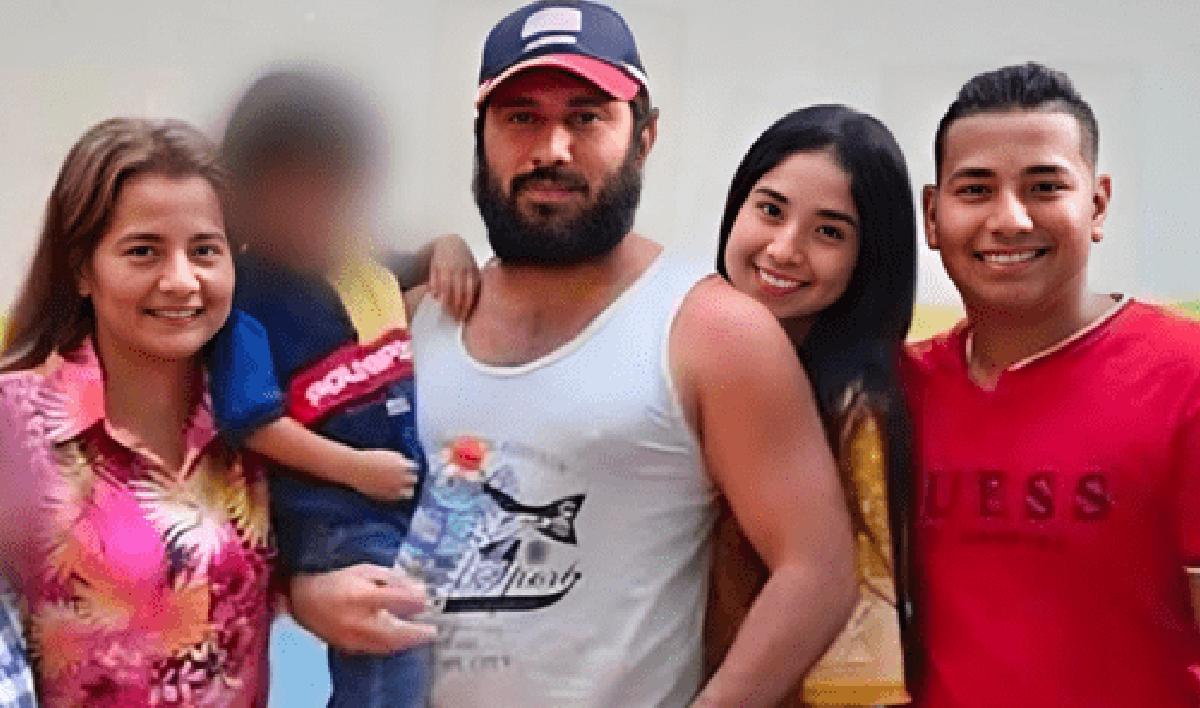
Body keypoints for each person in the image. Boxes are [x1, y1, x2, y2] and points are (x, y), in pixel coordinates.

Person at [292, 1, 857, 706]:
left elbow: (817, 571)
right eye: (521, 117)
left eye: (586, 118)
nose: (552, 149)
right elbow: (302, 511)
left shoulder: (712, 332)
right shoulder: (409, 323)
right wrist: (305, 594)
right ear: (481, 136)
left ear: (645, 138)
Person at [903, 62, 1200, 707]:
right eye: (976, 190)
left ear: (1097, 204)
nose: (1010, 219)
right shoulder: (900, 391)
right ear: (932, 215)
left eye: (1044, 187)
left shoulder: (1186, 378)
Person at [207, 68, 479, 707]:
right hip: (332, 512)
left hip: (396, 496)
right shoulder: (245, 296)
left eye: (329, 187)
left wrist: (450, 246)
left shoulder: (359, 261)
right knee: (388, 640)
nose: (309, 207)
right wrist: (353, 469)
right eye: (285, 189)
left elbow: (423, 258)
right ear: (242, 194)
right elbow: (252, 421)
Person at [0, 117, 274, 707]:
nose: (181, 281)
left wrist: (443, 252)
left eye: (204, 251)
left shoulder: (262, 425)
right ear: (82, 269)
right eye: (144, 252)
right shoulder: (14, 424)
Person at [708, 105, 916, 706]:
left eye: (829, 232)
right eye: (770, 210)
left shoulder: (860, 413)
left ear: (868, 258)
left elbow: (860, 665)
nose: (784, 249)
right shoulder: (681, 347)